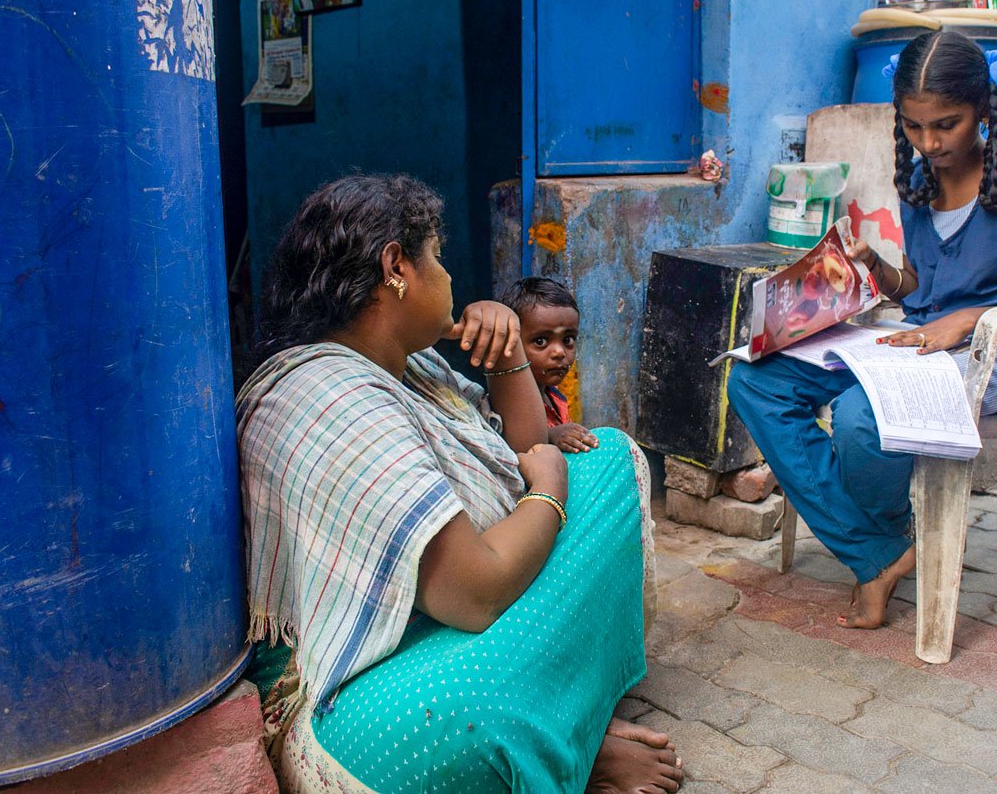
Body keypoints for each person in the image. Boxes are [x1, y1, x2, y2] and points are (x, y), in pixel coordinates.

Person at [237, 175, 681, 793]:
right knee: (480, 714)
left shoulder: (405, 362)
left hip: (446, 610)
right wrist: (547, 496)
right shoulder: (329, 395)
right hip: (354, 697)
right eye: (438, 257)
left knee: (608, 460)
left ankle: (565, 728)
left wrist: (508, 354)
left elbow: (518, 447)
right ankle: (573, 739)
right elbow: (475, 592)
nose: (449, 276)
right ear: (397, 266)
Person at [726, 30, 997, 631]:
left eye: (946, 124)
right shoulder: (918, 179)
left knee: (864, 420)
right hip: (917, 339)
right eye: (914, 127)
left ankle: (875, 549)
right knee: (756, 379)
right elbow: (918, 284)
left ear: (984, 110)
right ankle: (878, 551)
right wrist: (872, 270)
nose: (930, 142)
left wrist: (970, 321)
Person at [499, 277, 599, 454]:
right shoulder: (504, 404)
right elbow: (514, 454)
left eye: (568, 340)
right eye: (540, 341)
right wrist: (550, 436)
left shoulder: (555, 398)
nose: (559, 352)